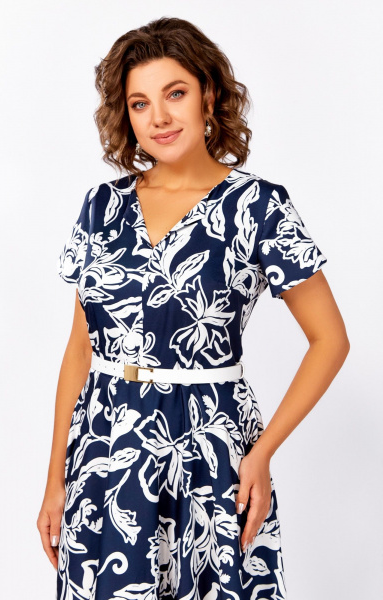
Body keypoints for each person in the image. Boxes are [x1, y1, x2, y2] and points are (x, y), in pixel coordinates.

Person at [37, 16, 350, 600]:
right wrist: (55, 479)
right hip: (106, 449)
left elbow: (331, 340)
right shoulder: (101, 207)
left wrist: (261, 454)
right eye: (139, 103)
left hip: (211, 449)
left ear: (208, 94)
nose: (158, 117)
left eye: (174, 93)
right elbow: (80, 349)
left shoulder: (256, 206)